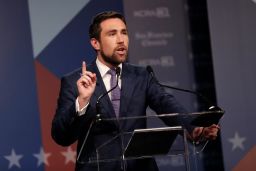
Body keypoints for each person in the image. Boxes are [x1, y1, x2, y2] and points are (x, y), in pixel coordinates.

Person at [51, 11, 220, 171]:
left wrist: (194, 128)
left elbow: (166, 104)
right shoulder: (76, 81)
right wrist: (82, 102)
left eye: (124, 32)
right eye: (112, 34)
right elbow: (61, 136)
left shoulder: (141, 75)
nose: (121, 40)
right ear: (96, 43)